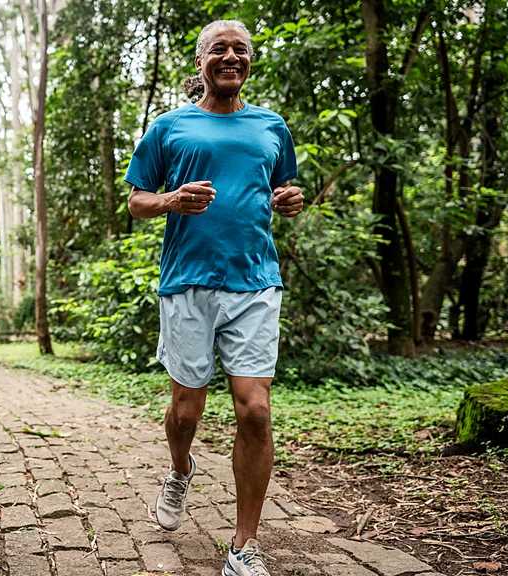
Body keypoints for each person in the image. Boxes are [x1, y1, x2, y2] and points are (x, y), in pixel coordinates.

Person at [124, 20, 304, 576]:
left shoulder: (271, 126)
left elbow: (280, 190)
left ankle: (244, 546)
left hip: (255, 281)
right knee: (186, 410)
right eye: (219, 49)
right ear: (201, 60)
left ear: (249, 61)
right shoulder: (169, 126)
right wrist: (171, 200)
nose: (231, 56)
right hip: (187, 283)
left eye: (240, 49)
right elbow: (136, 202)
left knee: (255, 409)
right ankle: (180, 469)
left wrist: (288, 199)